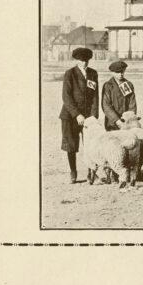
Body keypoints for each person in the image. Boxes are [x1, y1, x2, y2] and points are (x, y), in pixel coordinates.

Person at [59, 47, 99, 184]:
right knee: (71, 145)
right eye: (82, 61)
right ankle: (73, 172)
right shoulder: (70, 74)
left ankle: (91, 173)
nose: (84, 63)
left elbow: (95, 97)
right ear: (76, 60)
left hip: (88, 117)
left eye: (86, 60)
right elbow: (66, 97)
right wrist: (77, 114)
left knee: (90, 145)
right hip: (70, 116)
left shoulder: (93, 74)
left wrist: (93, 116)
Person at [101, 60, 136, 131]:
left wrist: (130, 118)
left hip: (127, 122)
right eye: (117, 72)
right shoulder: (108, 86)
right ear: (112, 73)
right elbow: (106, 105)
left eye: (122, 71)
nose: (120, 74)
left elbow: (132, 104)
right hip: (112, 123)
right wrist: (116, 120)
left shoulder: (129, 85)